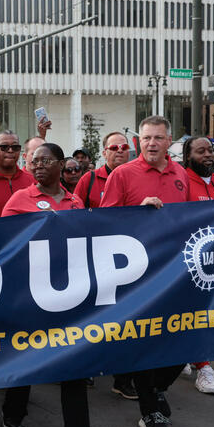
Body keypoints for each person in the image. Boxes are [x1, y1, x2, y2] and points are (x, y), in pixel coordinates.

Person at [0, 142, 97, 427]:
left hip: (69, 295)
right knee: (27, 353)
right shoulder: (19, 199)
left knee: (74, 359)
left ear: (60, 164)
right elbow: (4, 243)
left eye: (45, 160)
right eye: (33, 161)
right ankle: (13, 411)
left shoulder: (76, 202)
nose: (37, 166)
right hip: (30, 294)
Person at [100, 115, 189, 427]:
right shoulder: (122, 174)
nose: (152, 143)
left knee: (184, 338)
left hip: (174, 272)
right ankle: (149, 409)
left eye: (158, 138)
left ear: (169, 142)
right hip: (137, 274)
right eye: (147, 138)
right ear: (139, 141)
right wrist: (139, 210)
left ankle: (156, 387)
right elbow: (105, 223)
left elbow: (194, 217)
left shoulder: (181, 174)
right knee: (144, 339)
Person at [73, 131, 137, 400]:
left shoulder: (135, 175)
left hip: (129, 259)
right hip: (95, 258)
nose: (120, 150)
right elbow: (74, 212)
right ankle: (86, 365)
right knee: (93, 316)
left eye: (124, 146)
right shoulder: (88, 180)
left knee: (128, 318)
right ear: (104, 152)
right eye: (114, 147)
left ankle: (122, 379)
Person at [179, 136, 214, 395]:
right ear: (188, 157)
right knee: (195, 316)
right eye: (200, 151)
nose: (207, 155)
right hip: (189, 263)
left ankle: (190, 356)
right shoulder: (181, 181)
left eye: (210, 150)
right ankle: (204, 367)